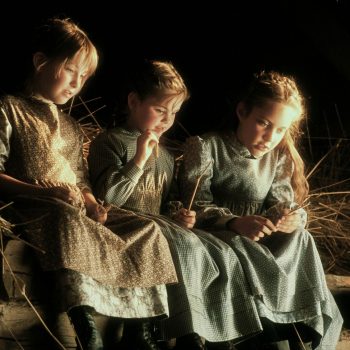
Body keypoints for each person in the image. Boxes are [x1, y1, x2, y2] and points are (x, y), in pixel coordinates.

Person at [0, 18, 177, 350]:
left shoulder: (71, 125)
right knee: (65, 217)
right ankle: (84, 325)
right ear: (40, 62)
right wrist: (44, 192)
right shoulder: (10, 108)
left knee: (147, 229)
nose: (76, 84)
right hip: (38, 204)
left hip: (74, 203)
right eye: (71, 71)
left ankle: (142, 326)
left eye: (84, 78)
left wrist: (94, 203)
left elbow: (81, 179)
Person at [179, 71, 343, 350]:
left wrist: (289, 216)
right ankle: (263, 324)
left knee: (302, 239)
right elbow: (196, 203)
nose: (270, 136)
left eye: (280, 130)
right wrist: (234, 222)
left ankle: (302, 324)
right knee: (241, 245)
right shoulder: (207, 147)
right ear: (242, 111)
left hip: (260, 231)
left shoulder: (278, 156)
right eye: (263, 123)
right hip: (219, 233)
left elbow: (281, 200)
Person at [88, 60, 243, 350]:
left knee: (211, 246)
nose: (166, 120)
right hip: (125, 221)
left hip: (157, 222)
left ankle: (213, 328)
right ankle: (176, 330)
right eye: (160, 110)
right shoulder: (109, 142)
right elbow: (107, 198)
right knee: (182, 244)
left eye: (173, 113)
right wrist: (138, 161)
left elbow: (165, 201)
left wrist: (179, 215)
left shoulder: (167, 156)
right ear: (134, 102)